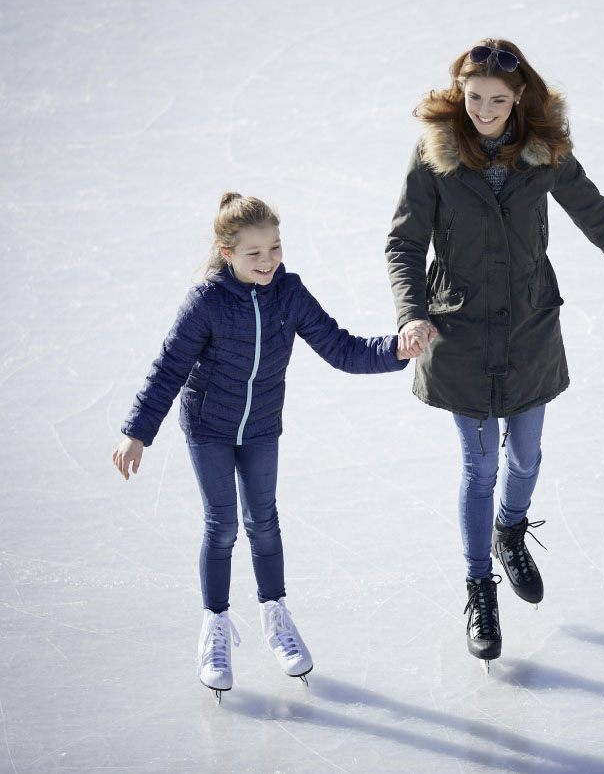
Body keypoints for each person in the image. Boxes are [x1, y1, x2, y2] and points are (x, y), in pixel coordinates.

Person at [386, 40, 604, 667]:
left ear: (520, 96)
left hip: (528, 331)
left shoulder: (545, 154)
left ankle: (510, 530)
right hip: (461, 336)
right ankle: (479, 587)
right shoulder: (433, 156)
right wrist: (411, 314)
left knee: (524, 460)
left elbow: (602, 222)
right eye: (474, 98)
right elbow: (403, 243)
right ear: (459, 91)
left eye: (498, 100)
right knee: (479, 470)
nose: (484, 111)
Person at [113, 192, 412, 702]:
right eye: (255, 253)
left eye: (274, 247)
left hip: (260, 429)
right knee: (222, 525)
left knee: (265, 522)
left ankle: (275, 614)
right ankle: (216, 627)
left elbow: (341, 347)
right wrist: (137, 431)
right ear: (227, 253)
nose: (269, 260)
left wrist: (396, 349)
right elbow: (169, 369)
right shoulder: (206, 302)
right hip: (208, 428)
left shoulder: (289, 294)